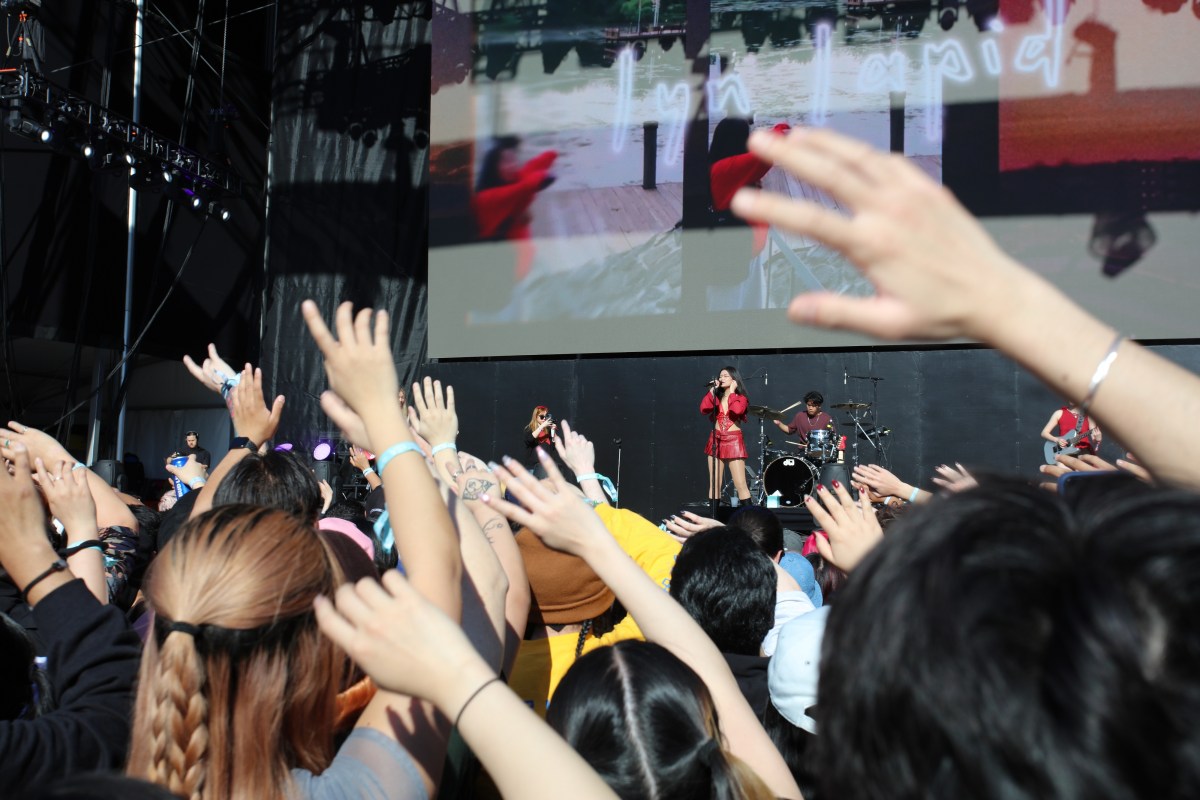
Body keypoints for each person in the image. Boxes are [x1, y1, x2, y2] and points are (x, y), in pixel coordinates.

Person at [471, 136, 557, 281]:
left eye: (513, 159)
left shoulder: (511, 185)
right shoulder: (486, 198)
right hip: (498, 276)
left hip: (519, 273)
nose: (513, 165)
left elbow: (528, 172)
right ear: (493, 167)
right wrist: (538, 181)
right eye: (506, 161)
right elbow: (521, 188)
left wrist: (548, 158)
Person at [701, 367, 752, 504]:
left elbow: (736, 410)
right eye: (720, 376)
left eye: (725, 376)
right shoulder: (716, 396)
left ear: (734, 379)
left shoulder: (741, 398)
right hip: (716, 439)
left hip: (733, 440)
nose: (721, 378)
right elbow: (704, 409)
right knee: (714, 484)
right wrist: (712, 391)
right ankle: (714, 519)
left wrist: (733, 393)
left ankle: (750, 521)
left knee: (740, 484)